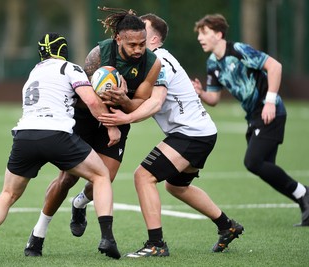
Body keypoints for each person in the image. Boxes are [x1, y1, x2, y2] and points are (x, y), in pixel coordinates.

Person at [0, 32, 122, 262]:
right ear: (63, 51)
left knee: (7, 194)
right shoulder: (69, 68)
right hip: (57, 135)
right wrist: (111, 127)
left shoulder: (34, 73)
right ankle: (107, 237)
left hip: (25, 136)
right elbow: (91, 101)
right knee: (100, 175)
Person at [98, 13, 244, 257]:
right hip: (200, 132)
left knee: (143, 176)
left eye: (142, 35)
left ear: (152, 38)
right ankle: (226, 225)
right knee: (176, 187)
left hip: (191, 134)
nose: (137, 40)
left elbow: (155, 103)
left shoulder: (160, 61)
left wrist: (125, 117)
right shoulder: (150, 62)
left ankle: (156, 244)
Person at [23, 7, 161, 257]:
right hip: (86, 116)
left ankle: (80, 204)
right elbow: (90, 99)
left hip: (120, 116)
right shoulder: (98, 54)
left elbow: (139, 101)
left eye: (142, 44)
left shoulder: (152, 63)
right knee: (67, 178)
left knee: (103, 179)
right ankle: (37, 235)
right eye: (132, 45)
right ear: (118, 39)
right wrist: (111, 125)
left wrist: (123, 102)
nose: (139, 50)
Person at [192, 14, 309, 227]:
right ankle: (304, 200)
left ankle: (304, 193)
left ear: (218, 34)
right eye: (199, 34)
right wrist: (200, 92)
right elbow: (215, 99)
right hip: (253, 117)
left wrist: (270, 101)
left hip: (270, 112)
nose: (200, 38)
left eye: (205, 33)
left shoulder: (239, 50)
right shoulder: (212, 63)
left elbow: (275, 67)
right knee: (265, 167)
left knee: (253, 162)